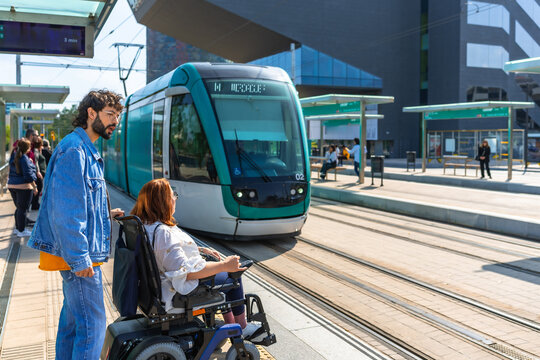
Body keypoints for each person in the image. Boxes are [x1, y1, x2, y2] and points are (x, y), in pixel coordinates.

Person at [28, 90, 125, 360]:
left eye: (117, 116)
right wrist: (80, 258)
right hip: (76, 257)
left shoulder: (82, 147)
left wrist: (105, 213)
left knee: (72, 323)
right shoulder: (74, 150)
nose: (114, 121)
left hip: (73, 253)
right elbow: (66, 211)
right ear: (90, 113)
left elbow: (79, 200)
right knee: (93, 324)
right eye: (109, 114)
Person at [131, 178, 263, 339]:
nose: (175, 199)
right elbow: (187, 273)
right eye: (173, 195)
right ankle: (242, 328)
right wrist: (224, 265)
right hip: (175, 291)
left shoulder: (146, 225)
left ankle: (230, 325)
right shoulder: (163, 232)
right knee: (233, 276)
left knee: (221, 271)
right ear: (163, 202)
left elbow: (164, 252)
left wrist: (199, 250)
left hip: (158, 285)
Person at [7, 138, 38, 237]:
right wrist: (34, 187)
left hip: (12, 185)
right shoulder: (24, 159)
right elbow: (28, 176)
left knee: (19, 208)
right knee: (23, 209)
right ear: (27, 148)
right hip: (23, 187)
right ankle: (21, 230)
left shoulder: (13, 156)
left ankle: (17, 228)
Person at [31, 137, 46, 210]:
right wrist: (38, 171)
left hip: (37, 173)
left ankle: (35, 203)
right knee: (38, 187)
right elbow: (36, 161)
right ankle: (35, 204)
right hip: (37, 174)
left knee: (38, 187)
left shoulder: (36, 151)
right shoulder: (36, 151)